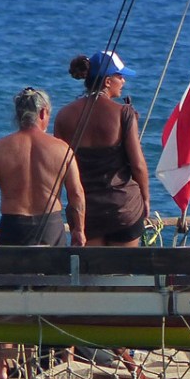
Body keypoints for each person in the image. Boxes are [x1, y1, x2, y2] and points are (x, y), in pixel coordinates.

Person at [54, 50, 150, 247]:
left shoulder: (64, 116)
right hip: (124, 209)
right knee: (123, 273)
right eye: (120, 76)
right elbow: (138, 165)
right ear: (107, 81)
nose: (123, 81)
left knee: (92, 275)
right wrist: (146, 200)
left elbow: (59, 168)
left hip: (86, 213)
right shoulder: (124, 113)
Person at [0, 87, 85, 246]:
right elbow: (77, 193)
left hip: (13, 227)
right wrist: (79, 229)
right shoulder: (62, 149)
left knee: (11, 271)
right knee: (54, 271)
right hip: (50, 226)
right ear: (42, 113)